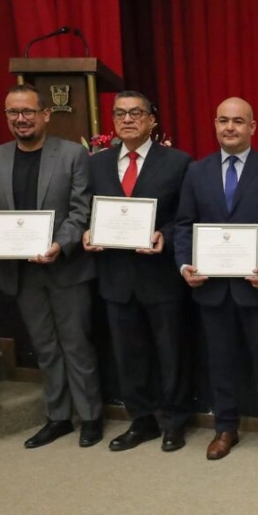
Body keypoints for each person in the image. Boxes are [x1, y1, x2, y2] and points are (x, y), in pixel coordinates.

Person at [0, 84, 103, 447]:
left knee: (76, 344)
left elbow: (81, 210)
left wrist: (61, 244)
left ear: (45, 114)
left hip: (66, 268)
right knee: (45, 346)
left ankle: (91, 416)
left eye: (28, 111)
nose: (21, 119)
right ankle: (58, 416)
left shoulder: (73, 154)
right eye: (13, 112)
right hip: (21, 272)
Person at [173, 97, 258, 461]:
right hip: (212, 289)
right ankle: (225, 428)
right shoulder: (197, 172)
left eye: (238, 121)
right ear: (214, 124)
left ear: (252, 127)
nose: (230, 127)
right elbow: (183, 226)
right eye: (223, 120)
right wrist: (184, 266)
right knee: (220, 363)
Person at [82, 91, 193, 452]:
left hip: (159, 276)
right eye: (120, 114)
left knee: (171, 352)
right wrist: (87, 232)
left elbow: (189, 217)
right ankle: (141, 420)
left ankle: (175, 421)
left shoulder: (178, 162)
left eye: (136, 113)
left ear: (151, 120)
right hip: (116, 277)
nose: (127, 119)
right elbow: (87, 212)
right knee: (129, 355)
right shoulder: (96, 164)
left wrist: (167, 236)